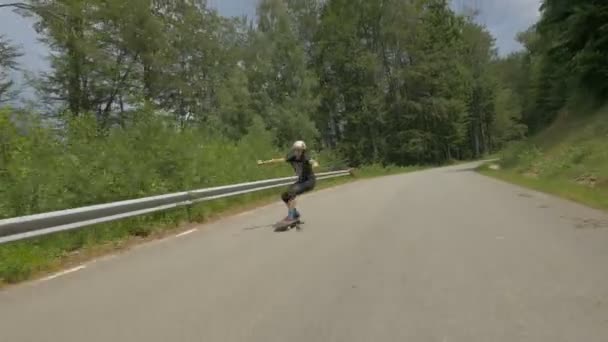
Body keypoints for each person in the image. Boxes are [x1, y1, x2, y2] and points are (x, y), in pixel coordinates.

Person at [257, 140, 319, 223]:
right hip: (301, 181)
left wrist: (315, 164)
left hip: (309, 182)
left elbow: (313, 161)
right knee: (285, 196)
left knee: (291, 192)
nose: (297, 152)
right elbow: (279, 160)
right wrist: (264, 162)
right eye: (296, 150)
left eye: (299, 150)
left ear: (303, 151)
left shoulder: (306, 158)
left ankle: (291, 216)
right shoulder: (292, 158)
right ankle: (295, 213)